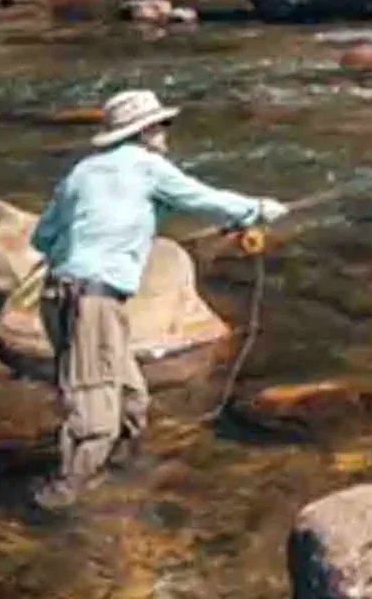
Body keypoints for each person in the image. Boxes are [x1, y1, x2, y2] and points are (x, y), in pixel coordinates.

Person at [27, 89, 287, 512]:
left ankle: (125, 478)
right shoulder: (149, 168)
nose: (167, 132)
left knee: (131, 398)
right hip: (91, 301)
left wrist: (132, 224)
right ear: (144, 131)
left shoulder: (82, 173)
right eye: (162, 124)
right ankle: (60, 503)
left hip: (58, 296)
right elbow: (206, 199)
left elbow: (41, 238)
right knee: (95, 413)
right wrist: (257, 209)